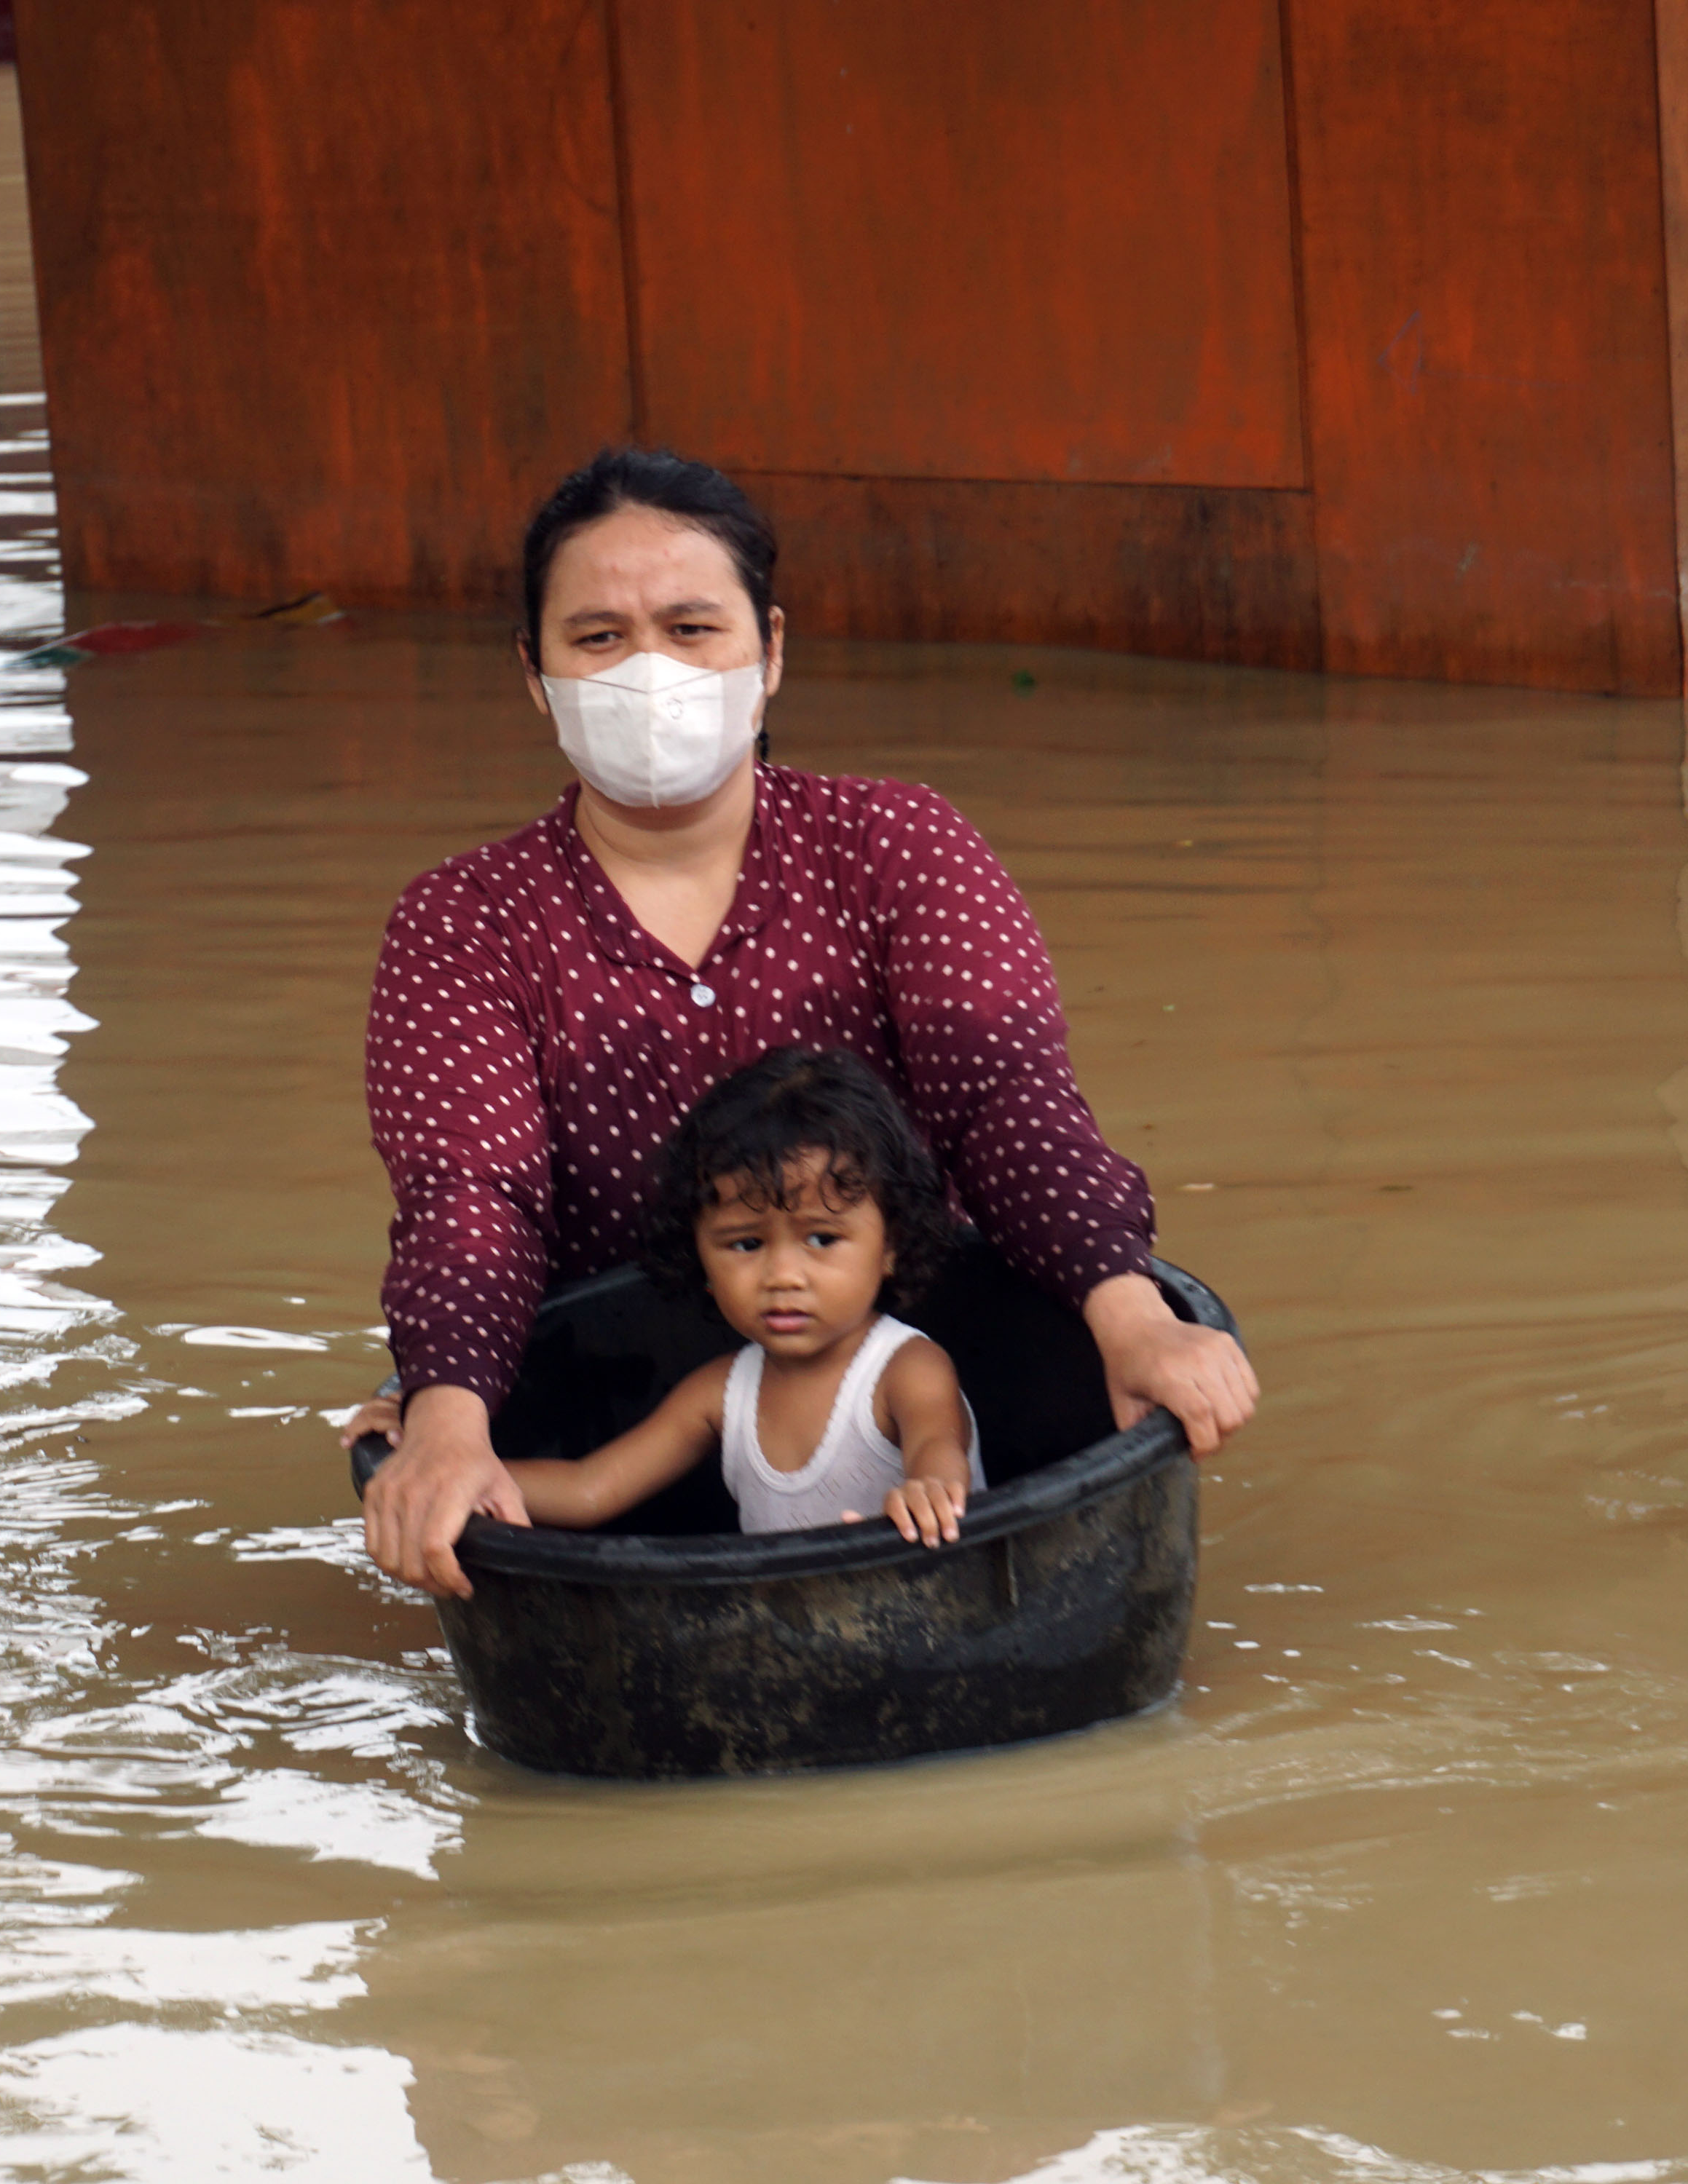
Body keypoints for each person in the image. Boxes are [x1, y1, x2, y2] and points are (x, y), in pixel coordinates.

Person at [349, 448, 1257, 1597]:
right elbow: (470, 1197)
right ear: (535, 671)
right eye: (598, 638)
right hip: (610, 1406)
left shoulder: (899, 847)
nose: (649, 672)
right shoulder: (464, 920)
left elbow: (1004, 1101)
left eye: (692, 629)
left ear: (770, 650)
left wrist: (1130, 1315)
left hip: (904, 1385)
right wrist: (445, 1417)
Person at [505, 1048, 984, 1545]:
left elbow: (938, 1447)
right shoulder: (720, 1395)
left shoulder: (904, 1369)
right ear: (701, 1259)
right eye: (747, 1244)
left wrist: (930, 1489)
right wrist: (471, 1474)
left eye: (821, 1238)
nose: (782, 1276)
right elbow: (590, 1490)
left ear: (891, 1246)